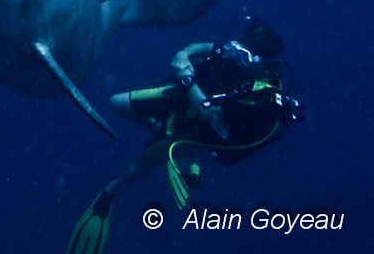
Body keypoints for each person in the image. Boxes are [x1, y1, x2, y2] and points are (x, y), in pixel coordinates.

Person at [66, 18, 304, 254]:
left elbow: (210, 114)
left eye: (244, 54)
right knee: (117, 103)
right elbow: (206, 47)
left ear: (260, 63)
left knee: (145, 160)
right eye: (238, 48)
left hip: (204, 132)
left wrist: (187, 79)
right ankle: (166, 136)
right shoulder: (236, 56)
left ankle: (113, 189)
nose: (235, 55)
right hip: (187, 99)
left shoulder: (259, 100)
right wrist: (183, 54)